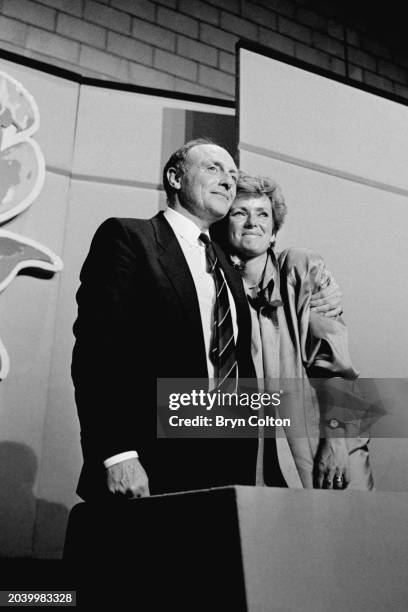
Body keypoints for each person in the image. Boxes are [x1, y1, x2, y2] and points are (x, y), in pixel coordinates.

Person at [71, 139, 343, 500]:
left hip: (227, 471)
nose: (228, 180)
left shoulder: (227, 270)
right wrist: (117, 453)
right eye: (214, 168)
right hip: (148, 467)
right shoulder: (129, 238)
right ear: (175, 177)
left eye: (232, 174)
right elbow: (98, 354)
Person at [212, 172, 373, 490]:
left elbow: (336, 367)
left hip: (325, 447)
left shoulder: (300, 268)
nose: (251, 223)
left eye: (262, 214)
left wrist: (336, 442)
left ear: (273, 232)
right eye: (240, 213)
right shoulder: (215, 291)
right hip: (259, 458)